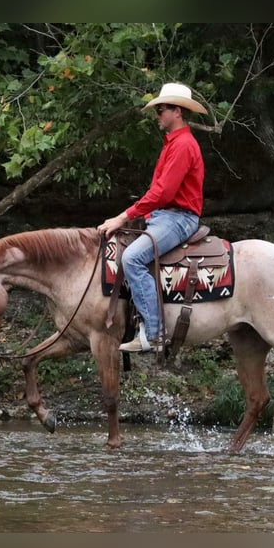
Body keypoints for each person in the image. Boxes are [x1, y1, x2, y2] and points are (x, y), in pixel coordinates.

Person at [97, 82, 207, 352]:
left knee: (132, 258)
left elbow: (162, 192)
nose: (157, 115)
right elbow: (158, 193)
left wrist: (123, 217)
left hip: (178, 218)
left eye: (161, 109)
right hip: (165, 215)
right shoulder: (173, 144)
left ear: (177, 111)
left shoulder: (182, 146)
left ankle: (154, 334)